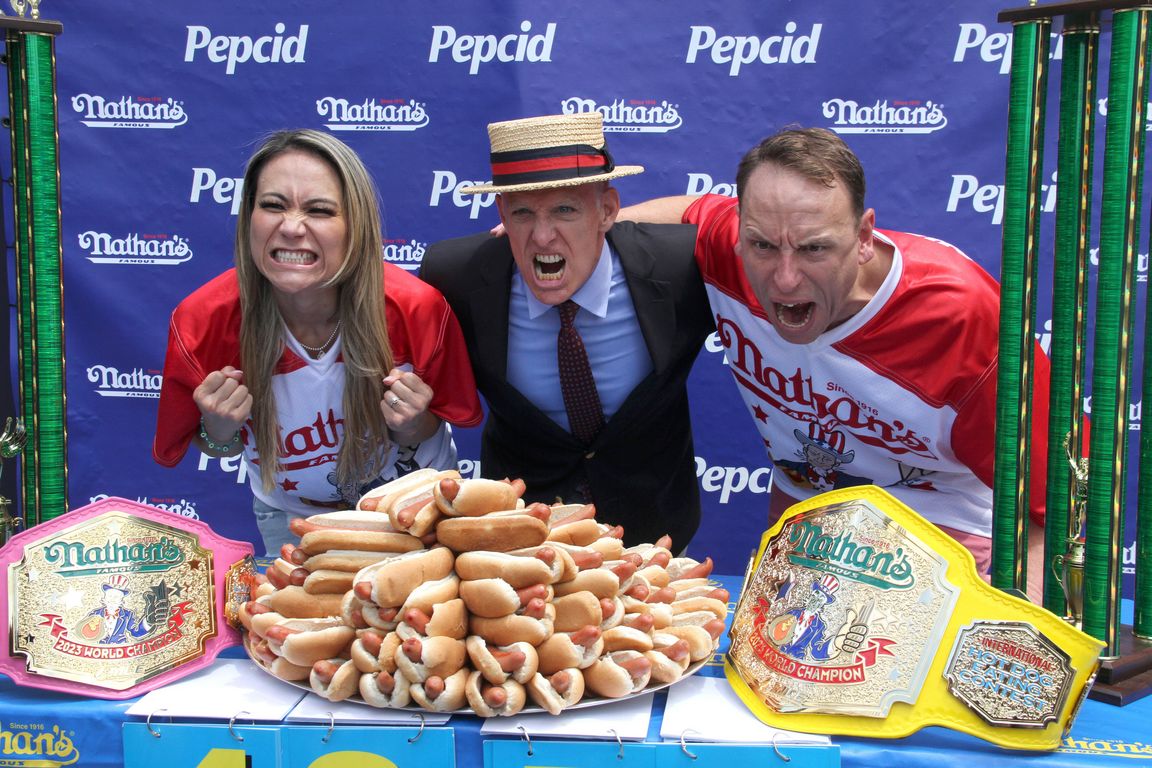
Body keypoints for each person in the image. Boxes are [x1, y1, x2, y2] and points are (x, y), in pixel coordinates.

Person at [622, 127, 1050, 589]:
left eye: (814, 248)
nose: (785, 279)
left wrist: (1016, 620)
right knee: (769, 638)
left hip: (936, 521)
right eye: (763, 246)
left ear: (863, 236)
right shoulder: (737, 243)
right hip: (808, 505)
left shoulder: (963, 317)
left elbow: (1054, 507)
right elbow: (688, 213)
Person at [153, 129, 482, 555]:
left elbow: (438, 423)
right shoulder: (203, 320)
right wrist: (219, 427)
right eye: (273, 205)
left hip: (414, 512)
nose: (291, 227)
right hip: (293, 523)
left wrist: (412, 422)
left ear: (355, 225)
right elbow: (216, 445)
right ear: (249, 216)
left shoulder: (415, 307)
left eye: (319, 210)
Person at [420, 113, 713, 550]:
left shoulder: (680, 267)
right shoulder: (454, 276)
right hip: (519, 542)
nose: (542, 237)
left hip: (658, 538)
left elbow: (754, 222)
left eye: (565, 209)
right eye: (522, 212)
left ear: (607, 209)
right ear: (501, 215)